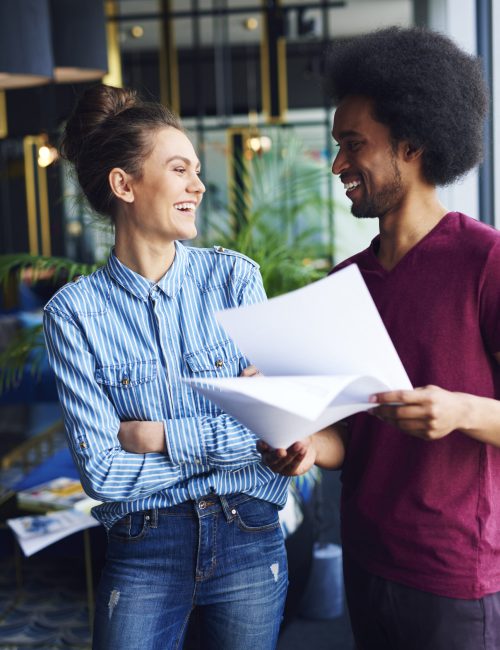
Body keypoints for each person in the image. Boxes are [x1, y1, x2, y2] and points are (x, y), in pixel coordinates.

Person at [260, 26, 500, 650]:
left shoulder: (486, 261)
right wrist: (308, 445)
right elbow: (349, 432)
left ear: (413, 144)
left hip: (455, 574)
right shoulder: (345, 282)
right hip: (368, 560)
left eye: (352, 145)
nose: (338, 164)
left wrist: (460, 411)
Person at [43, 84, 289, 650]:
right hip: (143, 546)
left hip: (248, 535)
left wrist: (154, 436)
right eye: (180, 170)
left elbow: (273, 425)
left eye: (196, 171)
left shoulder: (236, 280)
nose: (198, 186)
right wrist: (229, 438)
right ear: (124, 185)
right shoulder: (73, 315)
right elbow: (102, 475)